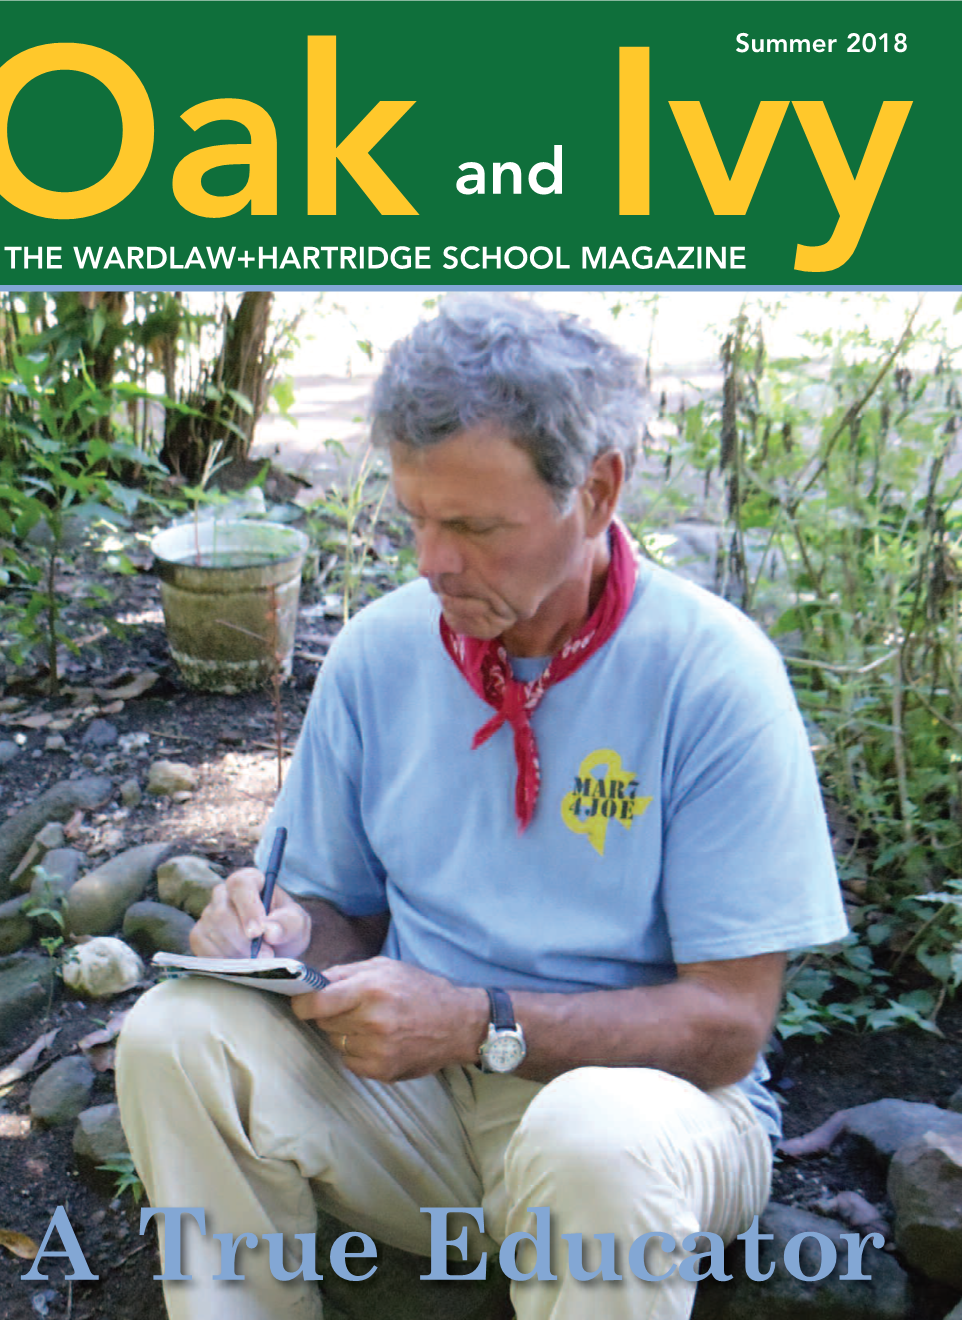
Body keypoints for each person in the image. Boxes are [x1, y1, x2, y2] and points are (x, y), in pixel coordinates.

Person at [118, 295, 847, 1320]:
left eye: (472, 526)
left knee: (590, 1137)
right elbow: (340, 913)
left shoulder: (713, 677)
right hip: (416, 1103)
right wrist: (278, 933)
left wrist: (476, 1023)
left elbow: (728, 1026)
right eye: (418, 517)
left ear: (596, 492)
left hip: (647, 1126)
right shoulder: (381, 653)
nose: (429, 562)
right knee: (179, 1035)